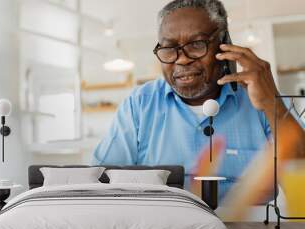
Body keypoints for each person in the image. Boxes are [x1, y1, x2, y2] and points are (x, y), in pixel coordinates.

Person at [92, 0, 305, 200]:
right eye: (169, 48)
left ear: (224, 45)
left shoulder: (263, 100)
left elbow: (301, 180)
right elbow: (101, 184)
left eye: (196, 44)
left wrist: (272, 103)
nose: (182, 59)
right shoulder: (140, 104)